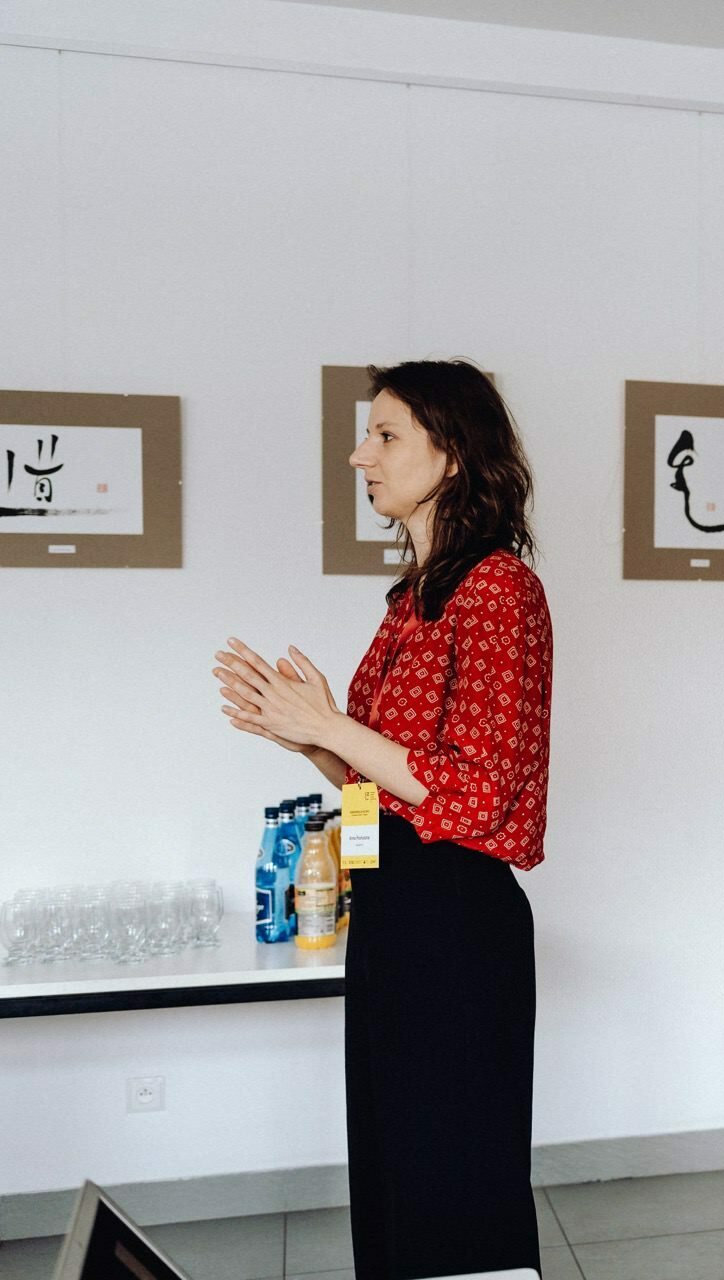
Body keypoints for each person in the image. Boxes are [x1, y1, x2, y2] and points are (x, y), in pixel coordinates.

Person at [212, 360, 551, 1278]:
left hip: (456, 926)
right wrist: (308, 740)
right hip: (398, 917)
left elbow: (476, 793)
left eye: (387, 434)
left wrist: (332, 726)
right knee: (397, 1177)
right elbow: (385, 791)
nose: (361, 453)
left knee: (454, 1186)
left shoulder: (497, 590)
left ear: (452, 456)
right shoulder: (411, 600)